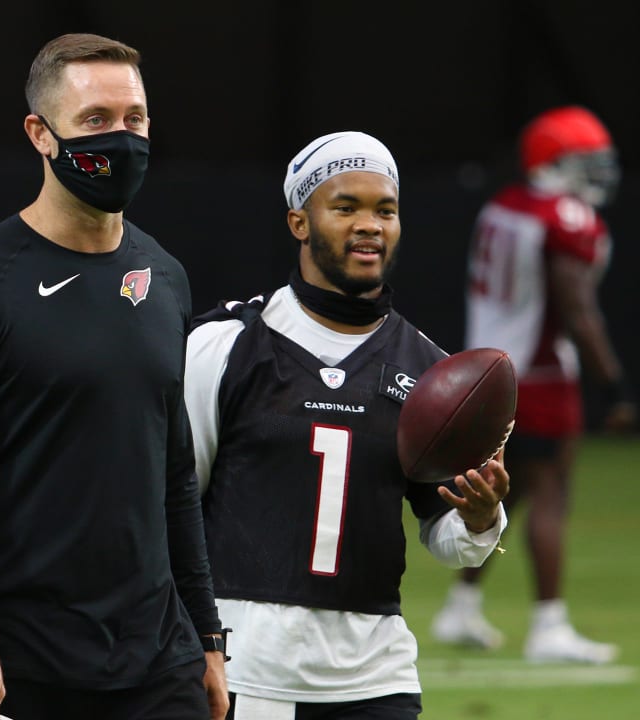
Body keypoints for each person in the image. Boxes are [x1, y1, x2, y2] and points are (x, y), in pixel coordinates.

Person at [0, 32, 229, 720]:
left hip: (156, 660)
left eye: (134, 119)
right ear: (40, 134)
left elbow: (173, 475)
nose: (122, 139)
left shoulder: (164, 278)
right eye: (95, 121)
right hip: (19, 664)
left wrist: (206, 636)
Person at [184, 131, 511, 719]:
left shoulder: (428, 371)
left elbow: (448, 538)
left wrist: (480, 515)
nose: (370, 225)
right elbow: (172, 506)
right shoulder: (227, 347)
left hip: (374, 677)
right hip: (250, 671)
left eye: (385, 209)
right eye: (345, 207)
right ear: (299, 222)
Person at [431, 106, 633, 664]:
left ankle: (462, 607)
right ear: (554, 161)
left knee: (504, 493)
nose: (596, 173)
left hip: (489, 369)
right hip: (540, 374)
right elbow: (578, 307)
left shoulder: (504, 206)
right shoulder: (564, 215)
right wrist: (613, 386)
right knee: (551, 496)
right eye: (584, 162)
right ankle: (549, 625)